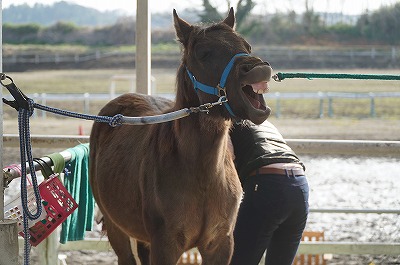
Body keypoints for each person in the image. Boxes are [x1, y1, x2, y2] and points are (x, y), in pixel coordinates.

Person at [229, 120, 309, 265]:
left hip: (268, 184)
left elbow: (228, 158)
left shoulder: (227, 121)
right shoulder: (265, 123)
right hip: (300, 185)